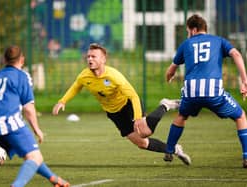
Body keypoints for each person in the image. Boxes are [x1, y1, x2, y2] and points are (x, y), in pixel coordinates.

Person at [52, 43, 191, 165]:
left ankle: (165, 105)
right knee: (141, 143)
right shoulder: (84, 76)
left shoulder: (114, 76)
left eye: (94, 56)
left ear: (103, 59)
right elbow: (76, 86)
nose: (89, 59)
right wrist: (62, 101)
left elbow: (133, 96)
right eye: (88, 56)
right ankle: (175, 149)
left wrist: (137, 117)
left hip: (129, 105)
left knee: (144, 132)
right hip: (114, 114)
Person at [163, 14, 247, 168]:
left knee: (182, 115)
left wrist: (169, 77)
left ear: (193, 30)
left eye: (188, 31)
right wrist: (245, 81)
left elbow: (171, 70)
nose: (188, 34)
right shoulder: (219, 41)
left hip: (191, 92)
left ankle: (169, 149)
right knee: (240, 116)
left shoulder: (186, 44)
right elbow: (236, 54)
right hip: (213, 92)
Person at [0, 45, 70, 187]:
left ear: (4, 60)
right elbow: (28, 108)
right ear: (22, 60)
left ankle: (55, 179)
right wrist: (37, 129)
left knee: (31, 156)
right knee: (35, 156)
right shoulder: (22, 76)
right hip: (9, 123)